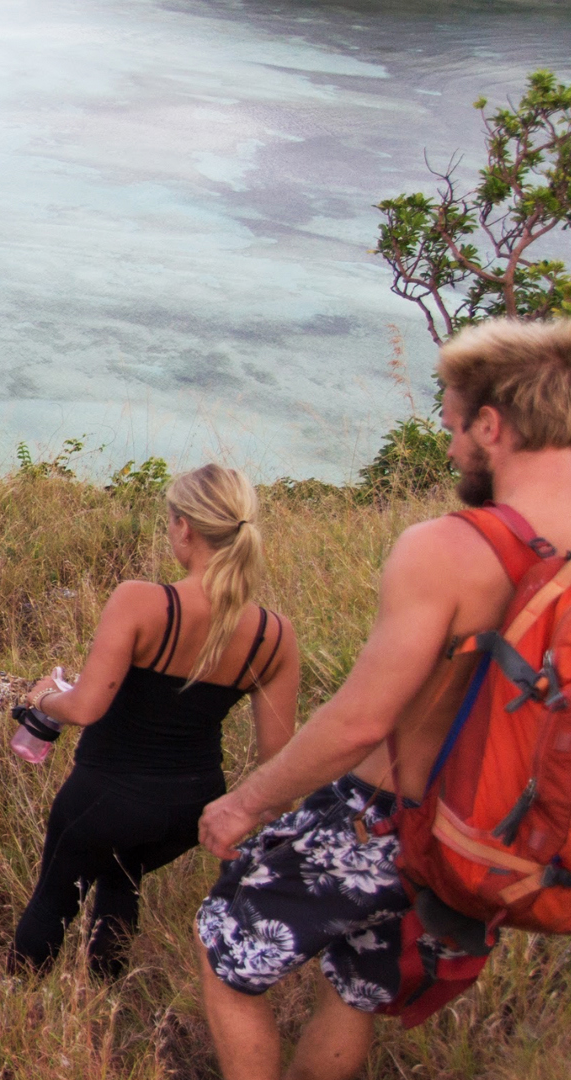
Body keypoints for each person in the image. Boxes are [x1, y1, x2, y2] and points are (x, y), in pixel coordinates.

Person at [194, 318, 571, 1080]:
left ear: (492, 427)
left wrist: (245, 805)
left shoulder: (450, 547)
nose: (450, 443)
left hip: (383, 817)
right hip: (493, 842)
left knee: (224, 949)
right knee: (360, 988)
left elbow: (362, 718)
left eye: (453, 425)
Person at [9, 464, 299, 979]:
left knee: (53, 902)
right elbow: (281, 760)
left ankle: (7, 1016)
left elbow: (87, 708)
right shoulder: (275, 635)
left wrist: (45, 697)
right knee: (123, 879)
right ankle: (104, 993)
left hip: (106, 795)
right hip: (192, 805)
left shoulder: (141, 601)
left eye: (170, 522)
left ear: (184, 526)